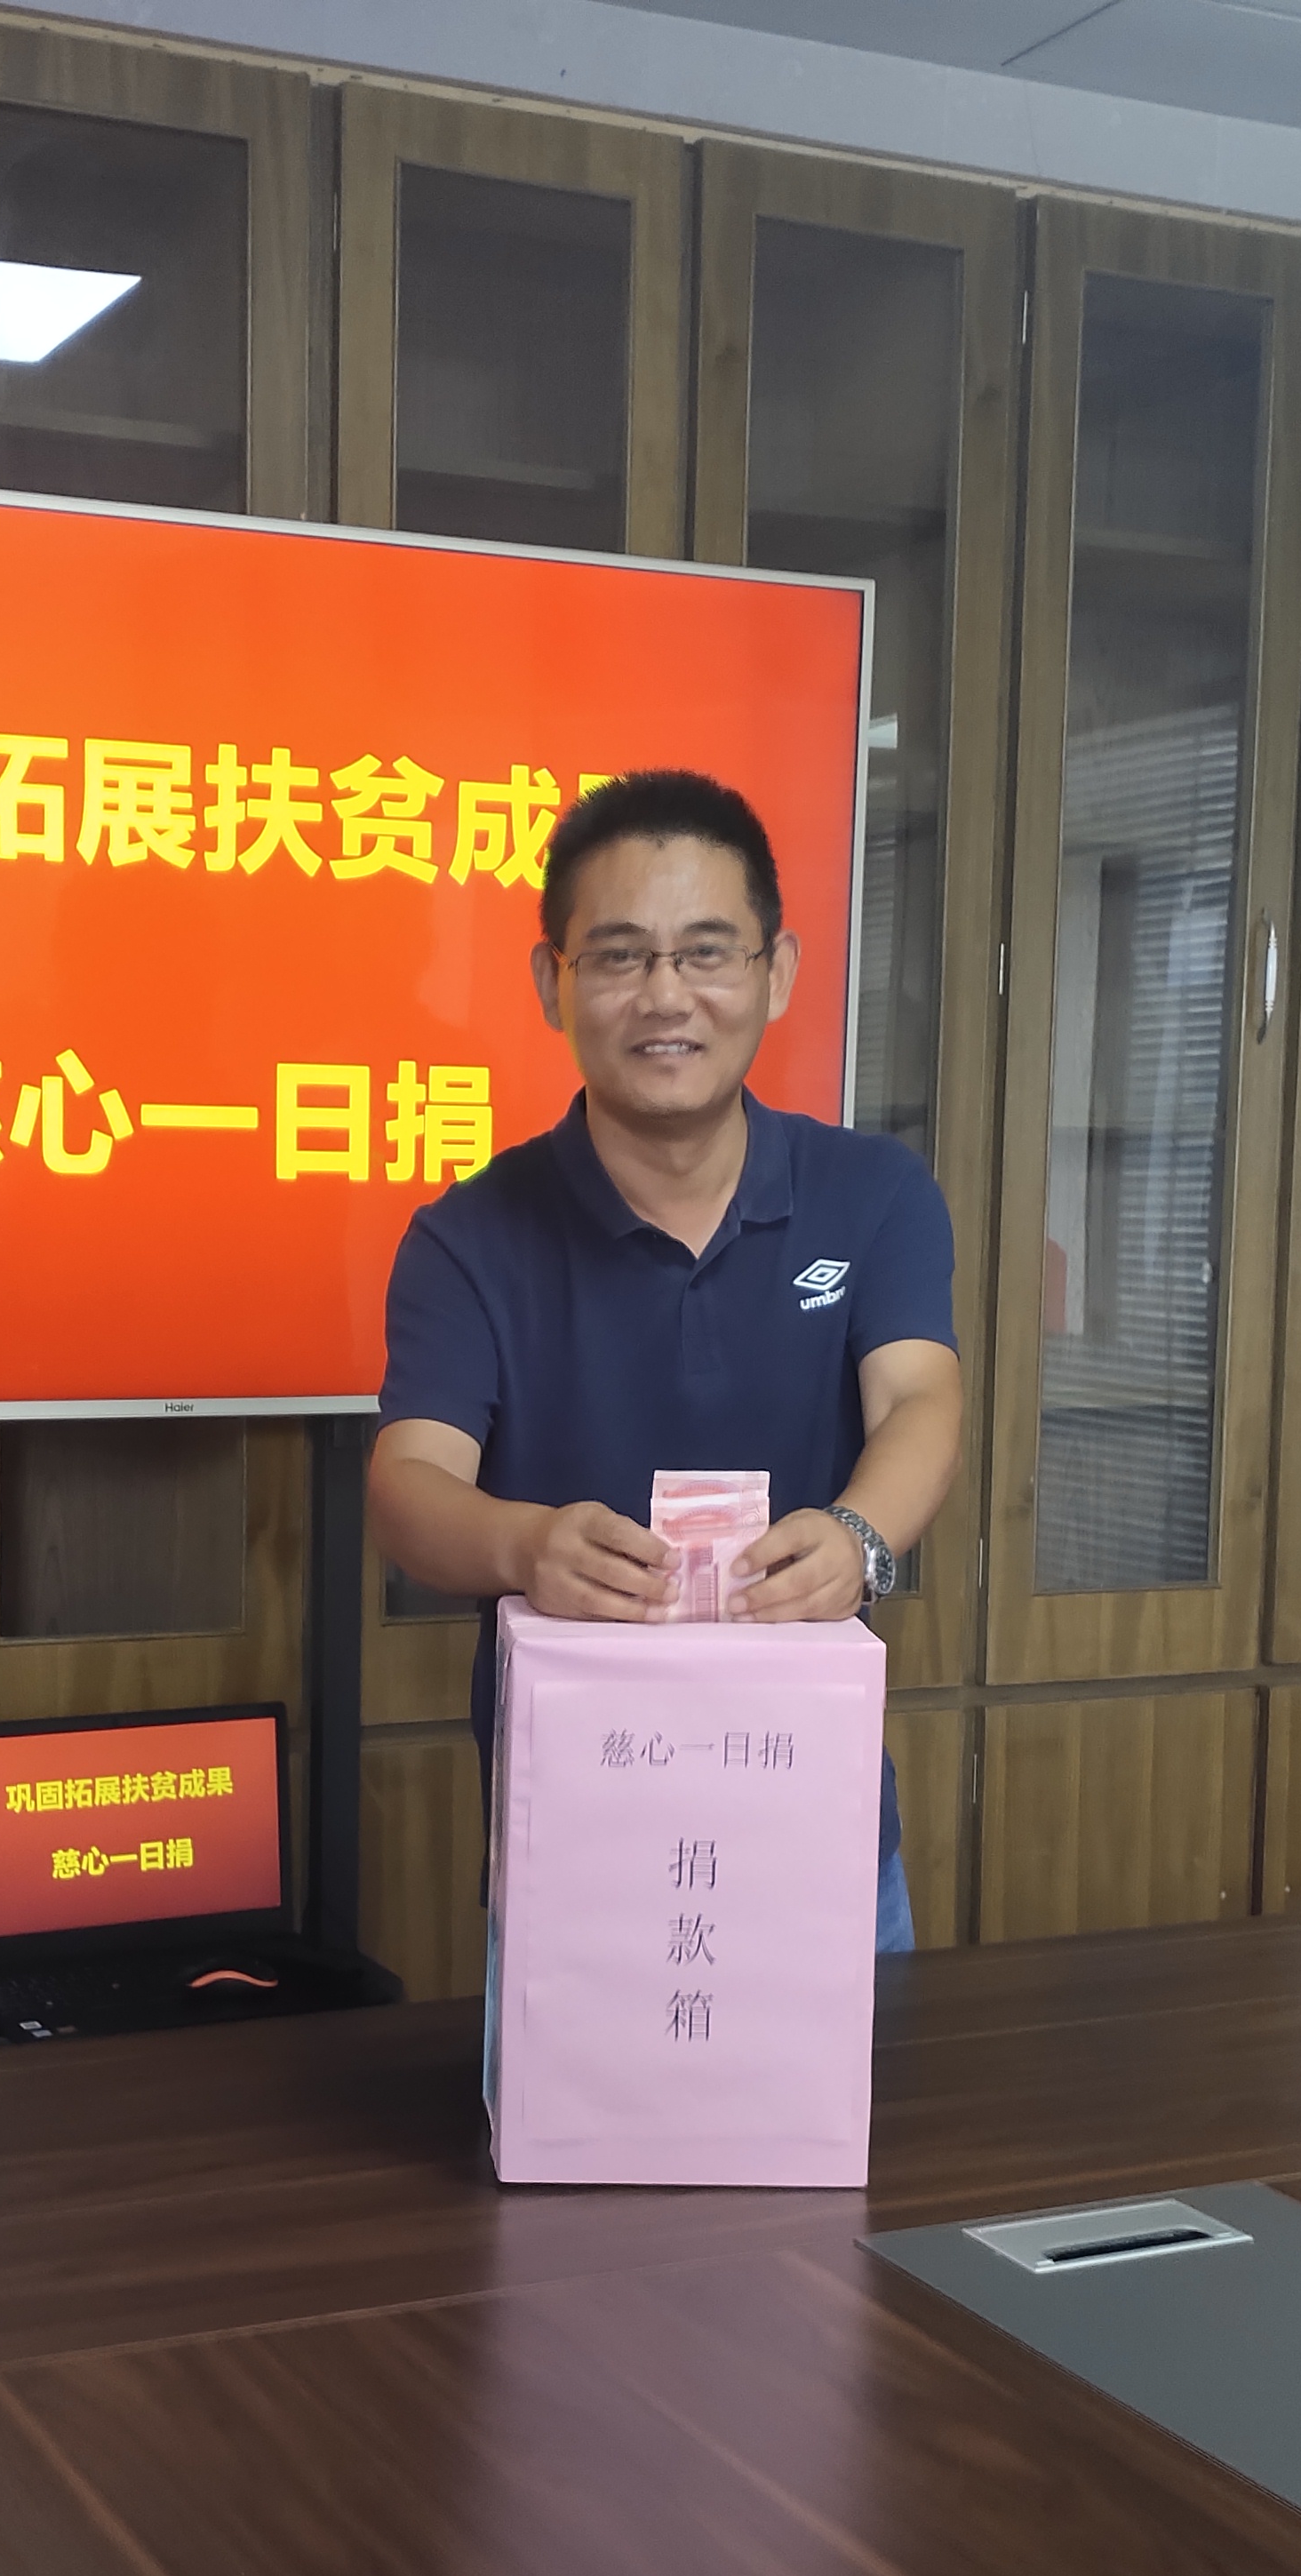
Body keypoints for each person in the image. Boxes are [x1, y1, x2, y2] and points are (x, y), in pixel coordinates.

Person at [369, 767, 962, 1953]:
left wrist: (856, 1538)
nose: (665, 996)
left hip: (819, 1830)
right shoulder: (467, 1238)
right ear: (553, 982)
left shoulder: (873, 1194)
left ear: (776, 972)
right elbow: (409, 1483)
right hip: (576, 1843)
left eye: (706, 952)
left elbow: (919, 1395)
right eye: (619, 956)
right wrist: (526, 1545)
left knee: (862, 2081)